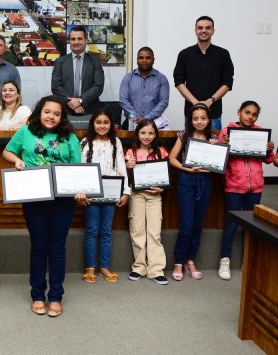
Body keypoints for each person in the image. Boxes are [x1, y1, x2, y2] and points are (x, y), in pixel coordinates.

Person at [3, 95, 85, 317]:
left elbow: (78, 168)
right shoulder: (26, 132)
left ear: (62, 117)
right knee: (39, 247)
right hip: (34, 197)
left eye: (57, 114)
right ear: (40, 112)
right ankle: (38, 295)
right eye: (47, 112)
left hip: (63, 200)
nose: (51, 117)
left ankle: (56, 296)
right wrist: (16, 161)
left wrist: (80, 188)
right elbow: (7, 151)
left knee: (57, 248)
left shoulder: (69, 137)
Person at [217, 101, 275, 280]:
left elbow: (268, 160)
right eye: (247, 112)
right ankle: (224, 260)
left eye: (254, 114)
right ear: (239, 112)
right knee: (231, 225)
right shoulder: (227, 131)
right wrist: (224, 144)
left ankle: (247, 259)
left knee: (251, 225)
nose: (250, 117)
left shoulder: (260, 132)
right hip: (234, 186)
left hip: (255, 187)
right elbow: (219, 158)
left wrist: (269, 150)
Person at [79, 110, 130, 284]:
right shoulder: (85, 142)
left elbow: (121, 167)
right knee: (92, 230)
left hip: (111, 194)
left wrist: (126, 192)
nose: (102, 126)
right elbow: (80, 168)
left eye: (106, 122)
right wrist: (81, 191)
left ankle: (104, 267)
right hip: (90, 194)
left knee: (106, 231)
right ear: (92, 123)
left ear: (111, 124)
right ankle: (90, 267)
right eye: (98, 122)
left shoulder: (116, 142)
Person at [168, 103, 215, 281]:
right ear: (190, 120)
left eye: (203, 118)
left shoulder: (213, 138)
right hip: (187, 182)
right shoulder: (184, 135)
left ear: (209, 119)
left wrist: (216, 146)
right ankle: (179, 262)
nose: (199, 121)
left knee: (197, 225)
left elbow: (218, 162)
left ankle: (190, 260)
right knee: (186, 225)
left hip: (205, 182)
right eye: (195, 118)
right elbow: (171, 158)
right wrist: (188, 169)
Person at [125, 119, 169, 284]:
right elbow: (125, 177)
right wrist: (128, 166)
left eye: (150, 133)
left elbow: (166, 177)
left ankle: (156, 270)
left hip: (155, 197)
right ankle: (139, 267)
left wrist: (161, 188)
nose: (147, 136)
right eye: (143, 133)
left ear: (155, 134)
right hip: (137, 195)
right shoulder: (131, 152)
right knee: (137, 231)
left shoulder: (161, 152)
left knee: (154, 232)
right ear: (137, 134)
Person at [173, 16, 234, 130]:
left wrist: (210, 101)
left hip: (214, 112)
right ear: (195, 30)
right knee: (190, 145)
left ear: (213, 31)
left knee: (214, 145)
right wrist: (195, 102)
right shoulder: (184, 54)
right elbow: (179, 82)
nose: (204, 31)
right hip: (191, 112)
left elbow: (228, 82)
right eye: (200, 28)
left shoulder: (223, 54)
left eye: (208, 28)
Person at [51, 25, 105, 115]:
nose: (76, 42)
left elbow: (98, 86)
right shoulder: (60, 61)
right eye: (73, 39)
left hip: (90, 110)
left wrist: (80, 100)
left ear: (86, 40)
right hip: (65, 110)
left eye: (79, 39)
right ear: (69, 41)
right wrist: (73, 102)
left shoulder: (95, 61)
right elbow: (55, 86)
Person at [118, 46, 170, 129]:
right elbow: (123, 100)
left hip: (154, 123)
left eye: (148, 58)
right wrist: (135, 117)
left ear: (153, 60)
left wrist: (147, 118)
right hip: (131, 122)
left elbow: (163, 102)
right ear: (137, 60)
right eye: (141, 58)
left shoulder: (161, 79)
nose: (144, 61)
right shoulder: (128, 78)